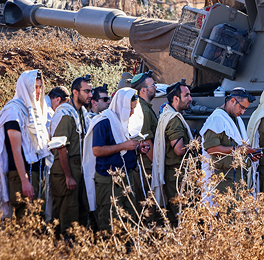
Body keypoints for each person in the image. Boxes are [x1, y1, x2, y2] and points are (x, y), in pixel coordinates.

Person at [83, 88, 148, 233]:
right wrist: (123, 146)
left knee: (129, 217)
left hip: (127, 177)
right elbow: (97, 150)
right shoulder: (104, 122)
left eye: (134, 109)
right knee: (110, 219)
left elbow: (125, 149)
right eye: (130, 109)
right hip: (109, 180)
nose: (132, 113)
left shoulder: (126, 122)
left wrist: (137, 149)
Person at [0, 70, 52, 220]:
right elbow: (15, 150)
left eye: (40, 87)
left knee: (38, 221)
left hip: (37, 173)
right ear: (25, 88)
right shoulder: (14, 111)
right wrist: (24, 181)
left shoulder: (34, 112)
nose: (38, 91)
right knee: (27, 220)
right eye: (35, 87)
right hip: (23, 176)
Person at [49, 75, 93, 236]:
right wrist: (68, 176)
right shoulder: (66, 113)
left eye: (91, 91)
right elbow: (61, 147)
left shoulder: (81, 112)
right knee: (68, 212)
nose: (90, 95)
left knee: (80, 210)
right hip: (66, 168)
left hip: (79, 167)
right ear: (75, 92)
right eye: (86, 91)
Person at [200, 88, 261, 194]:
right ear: (232, 101)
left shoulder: (236, 120)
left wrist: (250, 154)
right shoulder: (217, 119)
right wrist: (238, 150)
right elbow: (211, 149)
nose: (242, 112)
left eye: (245, 109)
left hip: (238, 178)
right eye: (241, 107)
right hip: (224, 179)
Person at [152, 79, 194, 226]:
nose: (190, 99)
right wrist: (196, 144)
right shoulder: (174, 120)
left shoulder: (168, 115)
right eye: (186, 95)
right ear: (176, 99)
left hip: (175, 174)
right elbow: (178, 149)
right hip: (178, 175)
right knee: (182, 214)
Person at [130, 71, 158, 216]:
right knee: (149, 204)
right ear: (143, 90)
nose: (155, 87)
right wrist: (157, 165)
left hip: (147, 164)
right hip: (147, 165)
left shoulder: (145, 107)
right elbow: (147, 141)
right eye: (152, 85)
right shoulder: (144, 110)